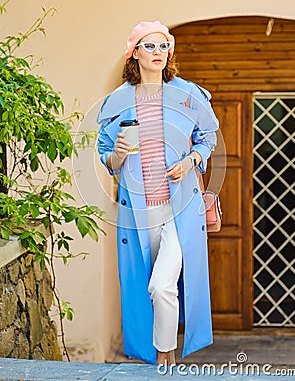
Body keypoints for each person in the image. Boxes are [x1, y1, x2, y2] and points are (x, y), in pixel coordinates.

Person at [97, 21, 219, 366]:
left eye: (164, 46)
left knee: (162, 285)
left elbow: (207, 138)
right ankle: (157, 356)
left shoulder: (189, 94)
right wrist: (119, 153)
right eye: (149, 46)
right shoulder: (116, 102)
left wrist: (191, 160)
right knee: (142, 285)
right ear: (133, 53)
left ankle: (165, 355)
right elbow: (108, 158)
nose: (158, 53)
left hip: (179, 208)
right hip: (137, 212)